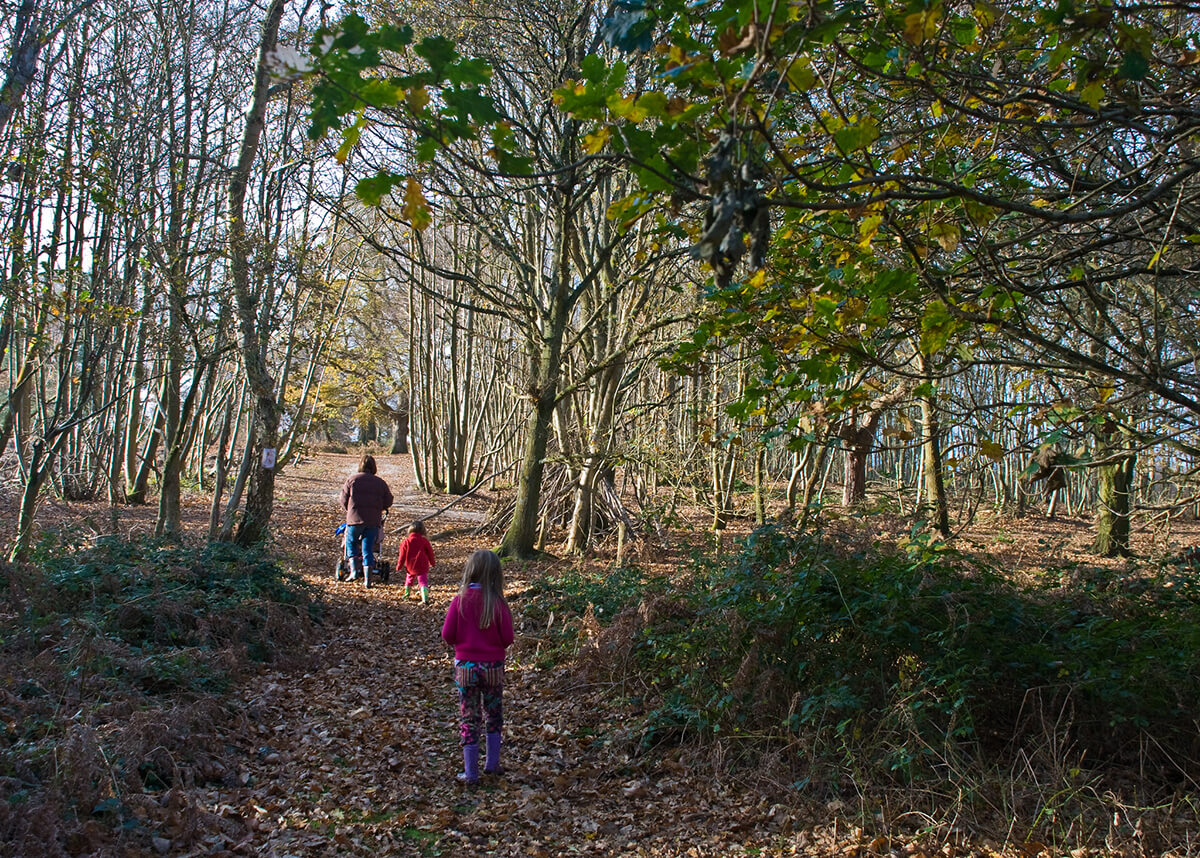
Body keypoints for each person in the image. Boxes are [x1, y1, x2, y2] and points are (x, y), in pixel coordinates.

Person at [441, 550, 514, 785]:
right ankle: (492, 764)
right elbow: (508, 638)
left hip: (466, 668)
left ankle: (470, 772)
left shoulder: (460, 600)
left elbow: (447, 635)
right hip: (493, 667)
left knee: (469, 717)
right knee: (494, 714)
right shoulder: (498, 603)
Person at [339, 454, 393, 589]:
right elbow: (388, 501)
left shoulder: (352, 480)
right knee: (368, 548)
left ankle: (353, 571)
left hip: (355, 518)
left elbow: (343, 499)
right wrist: (380, 507)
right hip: (373, 520)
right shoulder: (380, 483)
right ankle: (368, 579)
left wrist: (349, 509)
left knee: (351, 543)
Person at [397, 520, 436, 604]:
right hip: (422, 564)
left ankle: (407, 595)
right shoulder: (424, 541)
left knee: (409, 579)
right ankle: (425, 597)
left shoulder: (406, 541)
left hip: (410, 565)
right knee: (422, 581)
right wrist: (432, 563)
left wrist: (399, 566)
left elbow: (402, 555)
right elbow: (430, 553)